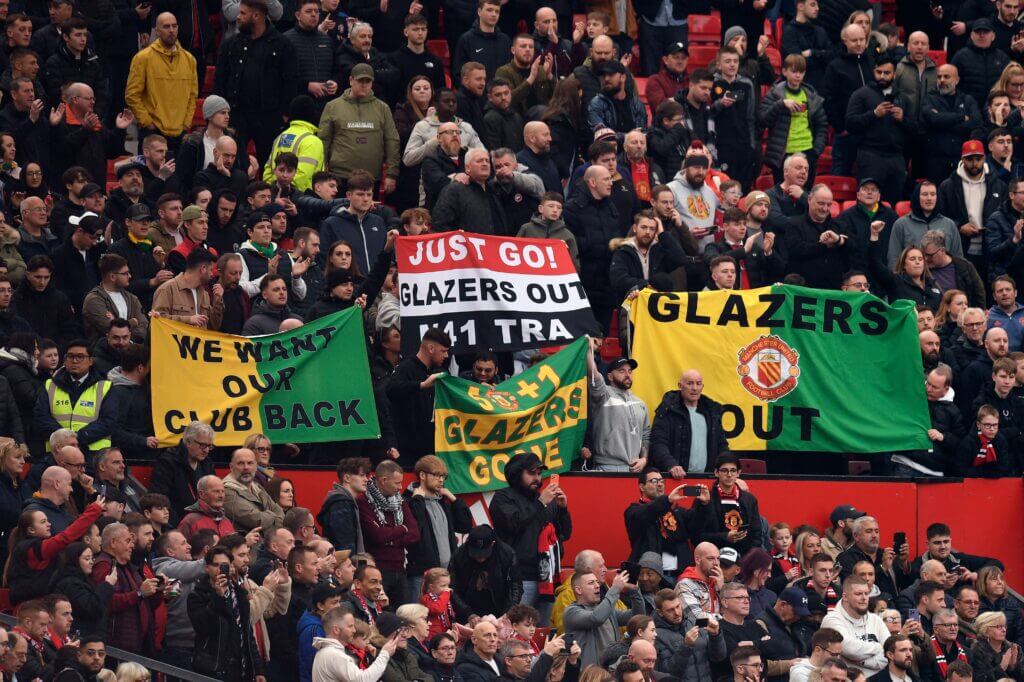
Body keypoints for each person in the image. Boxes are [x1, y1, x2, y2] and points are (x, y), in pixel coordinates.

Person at [491, 452, 572, 623]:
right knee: (514, 628)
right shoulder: (503, 497)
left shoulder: (546, 499)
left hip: (547, 578)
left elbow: (565, 534)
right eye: (531, 473)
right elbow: (513, 524)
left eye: (539, 473)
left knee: (542, 631)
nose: (537, 478)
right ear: (516, 474)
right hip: (519, 577)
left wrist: (563, 509)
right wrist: (540, 503)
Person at [213, 0, 296, 163]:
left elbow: (290, 82)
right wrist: (220, 111)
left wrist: (284, 115)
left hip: (269, 118)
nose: (238, 17)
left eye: (243, 13)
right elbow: (220, 80)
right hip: (237, 115)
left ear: (257, 16)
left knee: (269, 165)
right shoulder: (230, 44)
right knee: (234, 163)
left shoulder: (282, 45)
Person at [318, 63, 399, 193]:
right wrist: (321, 174)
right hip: (339, 177)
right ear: (351, 80)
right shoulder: (332, 106)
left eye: (368, 81)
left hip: (371, 177)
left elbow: (392, 141)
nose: (364, 84)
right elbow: (323, 141)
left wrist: (391, 174)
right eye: (360, 80)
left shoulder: (382, 108)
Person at [187, 543, 261, 681]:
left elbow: (247, 632)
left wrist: (258, 669)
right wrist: (218, 598)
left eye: (224, 565)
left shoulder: (240, 593)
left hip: (241, 669)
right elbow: (202, 627)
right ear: (207, 567)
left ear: (231, 566)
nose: (220, 570)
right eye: (216, 565)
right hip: (214, 668)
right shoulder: (197, 595)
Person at [938, 139, 1006, 282]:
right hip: (961, 249)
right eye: (969, 159)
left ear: (984, 158)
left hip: (991, 249)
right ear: (962, 159)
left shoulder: (999, 185)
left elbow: (1004, 215)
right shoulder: (948, 186)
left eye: (978, 158)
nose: (974, 163)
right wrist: (959, 227)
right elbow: (940, 217)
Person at [124, 12, 196, 147]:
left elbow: (192, 95)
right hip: (152, 131)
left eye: (174, 26)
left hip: (180, 132)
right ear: (157, 31)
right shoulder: (142, 58)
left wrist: (186, 122)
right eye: (166, 26)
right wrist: (147, 122)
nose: (171, 30)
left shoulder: (190, 60)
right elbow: (132, 95)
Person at [405, 455, 471, 598]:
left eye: (443, 476)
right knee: (418, 612)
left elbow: (465, 526)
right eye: (436, 475)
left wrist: (454, 500)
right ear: (422, 475)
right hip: (421, 575)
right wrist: (417, 500)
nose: (441, 480)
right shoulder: (409, 502)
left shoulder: (442, 502)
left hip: (446, 574)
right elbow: (415, 530)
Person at [564, 163, 621, 329]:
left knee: (603, 333)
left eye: (611, 179)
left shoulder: (610, 205)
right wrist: (594, 244)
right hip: (584, 285)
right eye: (606, 179)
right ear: (593, 182)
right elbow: (569, 243)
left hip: (607, 284)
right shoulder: (572, 208)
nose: (611, 183)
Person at [356, 460, 418, 606]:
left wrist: (390, 539)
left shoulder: (400, 501)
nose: (400, 487)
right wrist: (402, 529)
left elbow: (415, 533)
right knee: (380, 613)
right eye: (397, 483)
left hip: (400, 568)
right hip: (377, 570)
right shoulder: (363, 501)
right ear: (384, 480)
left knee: (404, 614)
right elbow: (376, 535)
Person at [385, 328, 450, 466]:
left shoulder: (440, 371)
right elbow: (391, 389)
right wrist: (421, 385)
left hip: (432, 447)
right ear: (431, 348)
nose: (446, 355)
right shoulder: (406, 368)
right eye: (443, 351)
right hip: (409, 450)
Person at [33, 338, 110, 452]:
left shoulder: (105, 386)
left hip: (94, 453)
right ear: (65, 360)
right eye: (70, 356)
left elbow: (108, 421)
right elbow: (41, 416)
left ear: (91, 361)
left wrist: (78, 438)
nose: (74, 361)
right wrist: (64, 437)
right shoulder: (50, 385)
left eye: (80, 357)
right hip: (57, 452)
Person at [649, 369, 729, 479]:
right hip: (675, 479)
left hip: (707, 478)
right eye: (690, 383)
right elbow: (658, 443)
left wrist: (729, 469)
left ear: (702, 387)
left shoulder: (711, 412)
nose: (694, 388)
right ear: (680, 386)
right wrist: (671, 465)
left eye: (698, 383)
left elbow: (722, 445)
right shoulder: (667, 410)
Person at [564, 567, 643, 669]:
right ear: (579, 590)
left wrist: (634, 590)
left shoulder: (606, 610)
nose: (597, 586)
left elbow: (637, 617)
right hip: (590, 674)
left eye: (597, 582)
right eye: (591, 583)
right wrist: (615, 588)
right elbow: (596, 618)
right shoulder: (571, 612)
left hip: (613, 671)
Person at [821, 24, 873, 176]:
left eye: (862, 39)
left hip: (870, 134)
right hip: (846, 134)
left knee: (867, 178)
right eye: (854, 40)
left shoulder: (871, 61)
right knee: (840, 175)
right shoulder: (835, 66)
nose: (859, 43)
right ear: (845, 41)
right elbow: (828, 99)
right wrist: (840, 127)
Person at [691, 454, 764, 556]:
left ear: (738, 473)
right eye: (724, 471)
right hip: (714, 557)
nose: (729, 475)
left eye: (733, 471)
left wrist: (747, 559)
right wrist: (724, 537)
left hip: (743, 558)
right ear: (716, 472)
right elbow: (696, 536)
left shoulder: (750, 499)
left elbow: (756, 536)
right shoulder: (704, 499)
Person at [784, 184, 853, 289]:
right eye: (821, 203)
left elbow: (854, 248)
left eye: (829, 205)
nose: (825, 209)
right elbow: (795, 249)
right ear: (809, 199)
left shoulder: (840, 225)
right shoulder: (793, 224)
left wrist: (839, 240)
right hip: (803, 289)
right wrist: (824, 246)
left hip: (833, 289)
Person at [449, 524, 523, 621]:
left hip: (500, 608)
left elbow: (515, 587)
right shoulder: (459, 555)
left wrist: (507, 614)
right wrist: (468, 613)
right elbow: (452, 588)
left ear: (492, 543)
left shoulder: (506, 554)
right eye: (476, 554)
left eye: (484, 554)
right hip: (467, 609)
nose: (480, 558)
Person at [148, 421, 217, 524]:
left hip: (204, 522)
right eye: (203, 445)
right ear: (188, 442)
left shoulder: (207, 464)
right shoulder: (167, 462)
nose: (206, 450)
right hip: (177, 523)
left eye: (209, 446)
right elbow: (159, 499)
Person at [922, 65, 982, 184]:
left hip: (961, 160)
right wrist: (961, 117)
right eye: (939, 77)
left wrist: (943, 121)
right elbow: (933, 119)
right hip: (936, 161)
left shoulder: (967, 100)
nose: (942, 80)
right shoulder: (930, 98)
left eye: (946, 77)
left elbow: (976, 122)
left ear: (957, 80)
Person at [310, 605, 400, 682]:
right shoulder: (334, 654)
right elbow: (362, 680)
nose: (354, 630)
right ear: (336, 630)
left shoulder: (327, 652)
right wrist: (384, 654)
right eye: (350, 626)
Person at [821, 577, 891, 674]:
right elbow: (850, 649)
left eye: (866, 593)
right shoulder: (832, 620)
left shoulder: (876, 620)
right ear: (845, 597)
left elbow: (890, 651)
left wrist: (863, 661)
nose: (864, 598)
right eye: (858, 594)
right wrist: (879, 647)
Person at [151, 247, 223, 329]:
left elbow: (213, 327)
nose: (212, 274)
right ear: (203, 269)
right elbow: (157, 321)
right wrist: (187, 320)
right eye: (210, 270)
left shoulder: (204, 294)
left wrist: (218, 301)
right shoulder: (167, 289)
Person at [951, 20, 1010, 115]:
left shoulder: (1003, 58)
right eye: (978, 32)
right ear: (971, 35)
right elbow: (952, 84)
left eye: (986, 32)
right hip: (968, 111)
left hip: (997, 111)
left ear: (993, 36)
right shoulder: (960, 57)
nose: (982, 35)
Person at [222, 447, 284, 533]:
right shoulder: (226, 492)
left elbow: (280, 512)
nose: (246, 467)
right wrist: (274, 516)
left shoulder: (257, 487)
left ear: (256, 467)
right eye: (240, 463)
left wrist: (270, 517)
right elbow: (257, 521)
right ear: (231, 467)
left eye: (250, 463)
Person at [318, 457, 369, 553]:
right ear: (347, 478)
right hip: (344, 560)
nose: (366, 479)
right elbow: (344, 544)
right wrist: (350, 560)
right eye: (362, 475)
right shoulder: (341, 504)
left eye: (366, 475)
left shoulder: (344, 501)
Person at [969, 611, 1023, 682]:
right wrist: (1001, 668)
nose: (1004, 630)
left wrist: (1013, 667)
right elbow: (978, 679)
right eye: (999, 627)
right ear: (986, 630)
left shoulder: (1014, 649)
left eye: (1005, 626)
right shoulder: (977, 650)